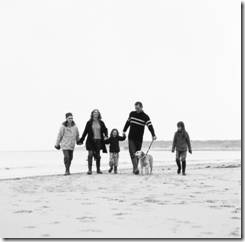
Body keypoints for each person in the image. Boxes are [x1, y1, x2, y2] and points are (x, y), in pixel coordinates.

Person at [123, 101, 157, 175]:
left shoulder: (145, 116)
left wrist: (153, 134)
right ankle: (136, 169)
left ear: (141, 107)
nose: (136, 109)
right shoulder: (132, 114)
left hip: (139, 138)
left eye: (138, 108)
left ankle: (134, 169)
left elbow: (150, 126)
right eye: (135, 108)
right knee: (132, 153)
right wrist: (124, 130)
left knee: (137, 155)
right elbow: (128, 122)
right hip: (131, 137)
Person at [78, 109, 108, 175]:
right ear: (92, 114)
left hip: (99, 140)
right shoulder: (89, 122)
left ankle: (98, 169)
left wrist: (106, 135)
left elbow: (105, 129)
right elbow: (85, 132)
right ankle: (89, 170)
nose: (96, 114)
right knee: (90, 154)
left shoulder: (101, 122)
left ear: (99, 114)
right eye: (94, 113)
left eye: (97, 113)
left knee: (98, 156)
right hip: (90, 141)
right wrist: (81, 140)